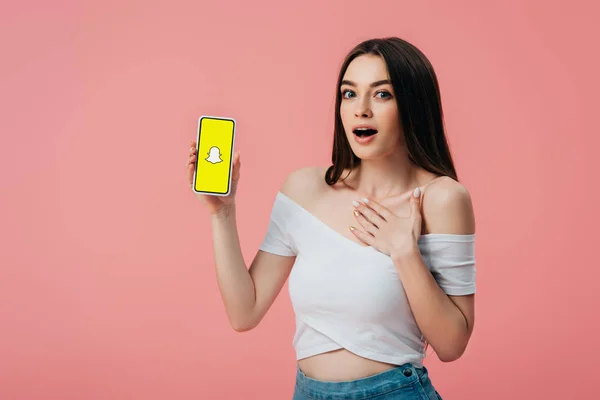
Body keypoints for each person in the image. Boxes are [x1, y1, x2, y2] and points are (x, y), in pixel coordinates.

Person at [186, 37, 476, 400]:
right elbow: (244, 312)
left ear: (413, 105)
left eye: (382, 94)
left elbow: (452, 344)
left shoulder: (442, 199)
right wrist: (222, 211)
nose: (361, 109)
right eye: (349, 94)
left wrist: (405, 253)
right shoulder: (303, 188)